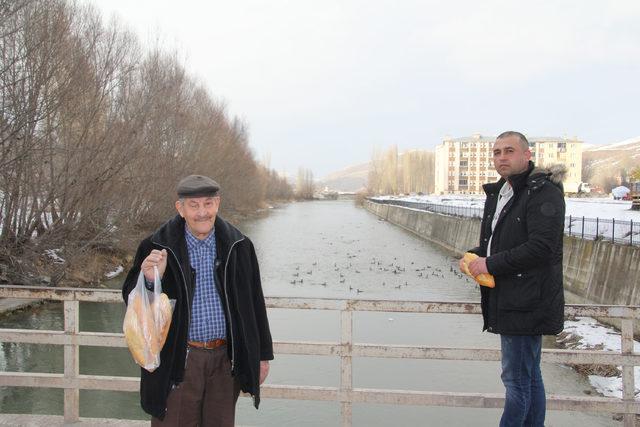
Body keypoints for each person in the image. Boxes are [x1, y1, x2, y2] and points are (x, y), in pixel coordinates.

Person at [122, 174, 273, 426]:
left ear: (218, 204)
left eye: (208, 204)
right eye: (194, 205)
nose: (202, 212)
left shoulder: (239, 245)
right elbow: (131, 300)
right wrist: (150, 281)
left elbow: (255, 302)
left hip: (226, 361)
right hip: (178, 360)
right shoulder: (156, 246)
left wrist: (262, 355)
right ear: (180, 209)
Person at [460, 131, 565, 427]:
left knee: (516, 379)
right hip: (513, 298)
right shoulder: (503, 191)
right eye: (496, 152)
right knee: (529, 376)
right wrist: (474, 256)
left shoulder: (543, 192)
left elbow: (542, 248)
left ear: (527, 155)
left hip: (526, 301)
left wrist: (489, 262)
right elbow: (500, 242)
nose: (501, 157)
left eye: (509, 151)